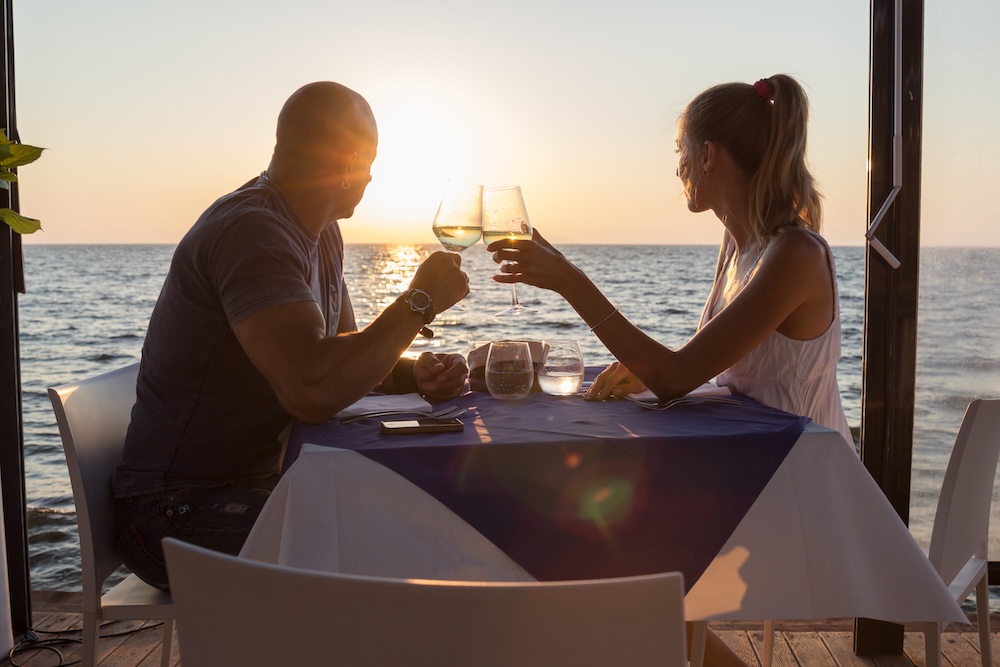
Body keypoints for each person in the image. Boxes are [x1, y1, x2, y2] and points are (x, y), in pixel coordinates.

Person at [489, 74, 852, 666]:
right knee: (591, 537)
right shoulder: (740, 247)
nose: (678, 167)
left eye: (681, 153)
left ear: (708, 156)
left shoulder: (794, 254)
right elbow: (714, 368)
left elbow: (678, 376)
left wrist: (569, 280)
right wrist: (646, 369)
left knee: (610, 566)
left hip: (797, 484)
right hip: (743, 464)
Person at [112, 81, 470, 591]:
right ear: (347, 163)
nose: (371, 177)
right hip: (175, 513)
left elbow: (340, 357)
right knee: (400, 548)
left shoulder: (318, 230)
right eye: (370, 161)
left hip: (258, 485)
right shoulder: (253, 232)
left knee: (426, 518)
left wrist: (418, 372)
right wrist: (419, 302)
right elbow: (312, 389)